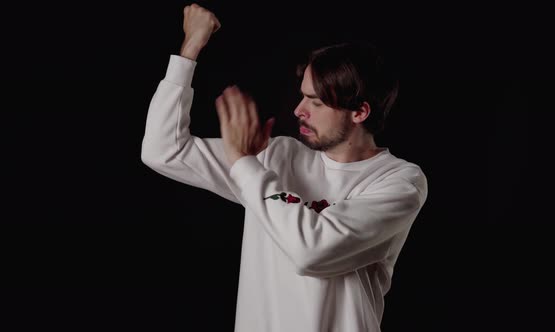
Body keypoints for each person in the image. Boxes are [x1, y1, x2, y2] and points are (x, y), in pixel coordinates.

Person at [141, 3, 428, 332]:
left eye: (316, 102)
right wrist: (189, 50)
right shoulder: (275, 156)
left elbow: (312, 252)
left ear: (360, 112)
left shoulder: (400, 182)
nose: (298, 110)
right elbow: (163, 150)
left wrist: (244, 164)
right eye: (302, 96)